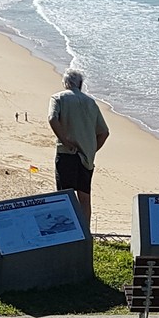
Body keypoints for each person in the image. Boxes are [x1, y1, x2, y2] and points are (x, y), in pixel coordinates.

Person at [48, 68, 109, 232]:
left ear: (66, 83)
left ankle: (68, 232)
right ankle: (85, 232)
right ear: (81, 84)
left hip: (66, 154)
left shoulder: (58, 98)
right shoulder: (91, 102)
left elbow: (52, 119)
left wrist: (65, 140)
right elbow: (104, 132)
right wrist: (92, 150)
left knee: (64, 196)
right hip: (86, 158)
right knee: (84, 197)